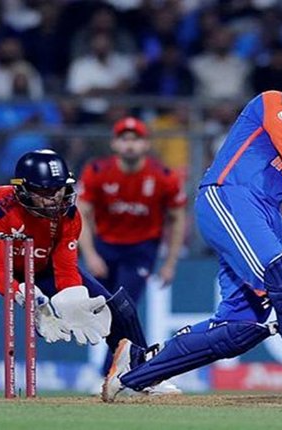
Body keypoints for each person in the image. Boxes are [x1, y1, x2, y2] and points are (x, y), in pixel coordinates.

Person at [101, 73, 282, 404]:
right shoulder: (276, 102)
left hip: (262, 219)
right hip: (230, 198)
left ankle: (136, 370)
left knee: (239, 326)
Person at [0, 149, 169, 398]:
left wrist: (73, 297)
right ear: (22, 189)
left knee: (117, 307)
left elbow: (65, 268)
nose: (54, 199)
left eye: (59, 189)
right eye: (45, 192)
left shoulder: (69, 214)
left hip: (39, 260)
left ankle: (144, 375)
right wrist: (25, 296)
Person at [77, 117, 187, 383]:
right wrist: (90, 254)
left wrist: (170, 263)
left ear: (146, 144)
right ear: (114, 144)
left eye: (135, 139)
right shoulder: (97, 171)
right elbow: (81, 213)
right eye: (124, 139)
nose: (130, 145)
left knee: (124, 307)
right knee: (105, 310)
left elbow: (177, 218)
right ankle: (132, 369)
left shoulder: (163, 177)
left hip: (141, 248)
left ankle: (113, 373)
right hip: (105, 247)